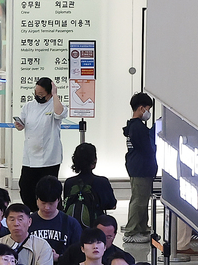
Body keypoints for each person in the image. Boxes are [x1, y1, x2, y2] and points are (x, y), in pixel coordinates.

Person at [13, 78, 68, 207]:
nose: (38, 97)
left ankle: (51, 212)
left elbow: (59, 114)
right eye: (36, 93)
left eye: (42, 94)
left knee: (48, 189)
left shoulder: (55, 104)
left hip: (49, 157)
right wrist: (19, 125)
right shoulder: (28, 106)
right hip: (30, 156)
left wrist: (55, 95)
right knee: (25, 186)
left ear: (49, 93)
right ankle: (32, 211)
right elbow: (21, 124)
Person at [124, 93, 157, 242]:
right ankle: (131, 232)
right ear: (141, 108)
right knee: (138, 200)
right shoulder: (137, 127)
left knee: (142, 199)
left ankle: (142, 228)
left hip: (138, 167)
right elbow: (147, 148)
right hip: (140, 168)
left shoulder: (133, 126)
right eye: (148, 109)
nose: (148, 112)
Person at [62, 143, 117, 226]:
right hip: (95, 227)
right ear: (94, 161)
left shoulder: (69, 182)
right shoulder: (102, 181)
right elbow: (111, 205)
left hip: (72, 227)